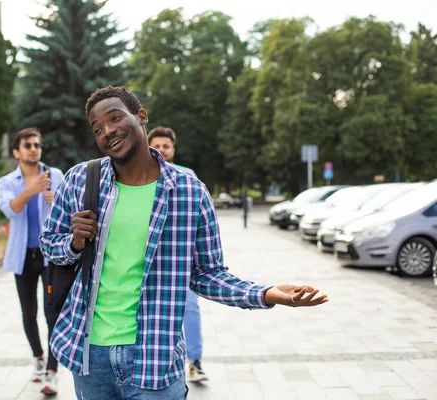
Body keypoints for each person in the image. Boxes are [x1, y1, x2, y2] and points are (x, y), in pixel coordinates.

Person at [39, 86, 328, 399]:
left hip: (155, 356)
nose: (108, 131)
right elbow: (49, 244)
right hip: (89, 356)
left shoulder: (189, 191)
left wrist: (266, 293)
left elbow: (207, 273)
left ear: (141, 117)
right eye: (98, 128)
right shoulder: (81, 179)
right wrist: (75, 243)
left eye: (115, 118)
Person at [0, 127, 64, 395]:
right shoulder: (7, 182)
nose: (34, 148)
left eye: (37, 144)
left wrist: (56, 199)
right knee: (29, 313)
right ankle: (38, 357)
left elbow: (72, 208)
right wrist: (31, 190)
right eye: (28, 145)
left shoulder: (56, 175)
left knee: (53, 315)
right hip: (23, 257)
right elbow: (10, 209)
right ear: (17, 152)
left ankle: (51, 371)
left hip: (50, 258)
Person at [148, 126, 208, 383]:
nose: (161, 150)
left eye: (166, 146)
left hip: (182, 257)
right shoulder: (139, 176)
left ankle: (194, 362)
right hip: (148, 257)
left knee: (190, 308)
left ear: (173, 150)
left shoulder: (188, 176)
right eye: (157, 145)